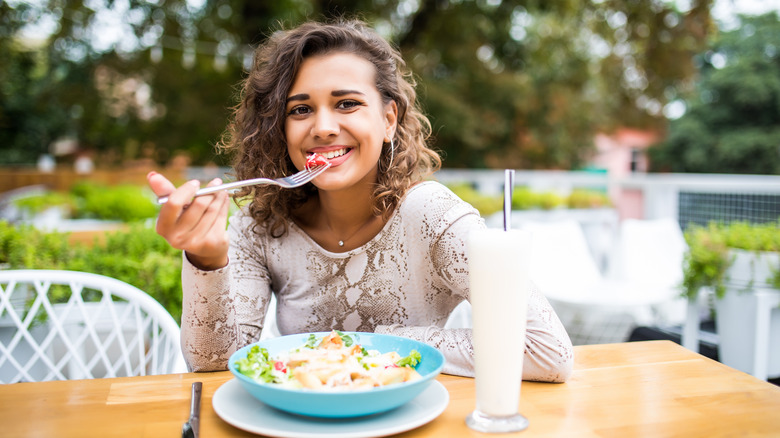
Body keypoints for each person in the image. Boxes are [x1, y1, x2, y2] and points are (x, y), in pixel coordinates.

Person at [147, 18, 573, 382]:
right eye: (300, 110)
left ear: (389, 120)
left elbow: (547, 350)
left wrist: (372, 345)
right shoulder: (259, 228)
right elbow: (213, 368)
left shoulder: (432, 216)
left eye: (347, 104)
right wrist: (207, 258)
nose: (324, 127)